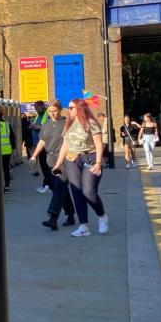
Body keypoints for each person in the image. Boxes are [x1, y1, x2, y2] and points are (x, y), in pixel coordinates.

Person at [52, 98, 108, 237]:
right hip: (72, 159)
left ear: (79, 108)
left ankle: (102, 216)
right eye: (68, 108)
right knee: (76, 191)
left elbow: (99, 144)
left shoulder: (91, 123)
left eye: (71, 108)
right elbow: (66, 144)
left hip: (90, 157)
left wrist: (99, 162)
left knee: (88, 191)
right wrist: (58, 163)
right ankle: (84, 226)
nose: (68, 110)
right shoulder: (69, 124)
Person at [36, 101, 77, 230]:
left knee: (59, 186)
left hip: (64, 160)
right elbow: (42, 141)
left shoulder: (67, 123)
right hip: (51, 160)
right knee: (59, 188)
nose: (52, 114)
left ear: (60, 110)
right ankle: (70, 214)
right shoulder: (46, 124)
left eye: (55, 111)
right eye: (50, 111)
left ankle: (53, 217)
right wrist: (34, 155)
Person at [30, 101, 51, 190]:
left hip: (45, 144)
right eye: (35, 108)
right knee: (42, 165)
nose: (36, 109)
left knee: (46, 165)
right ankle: (46, 183)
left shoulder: (47, 114)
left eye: (37, 107)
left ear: (42, 106)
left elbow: (49, 128)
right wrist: (32, 126)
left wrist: (37, 127)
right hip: (38, 143)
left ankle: (49, 185)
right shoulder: (38, 115)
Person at [0, 111, 16, 192]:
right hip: (6, 151)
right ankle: (6, 186)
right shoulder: (6, 125)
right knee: (6, 168)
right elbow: (12, 138)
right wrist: (13, 148)